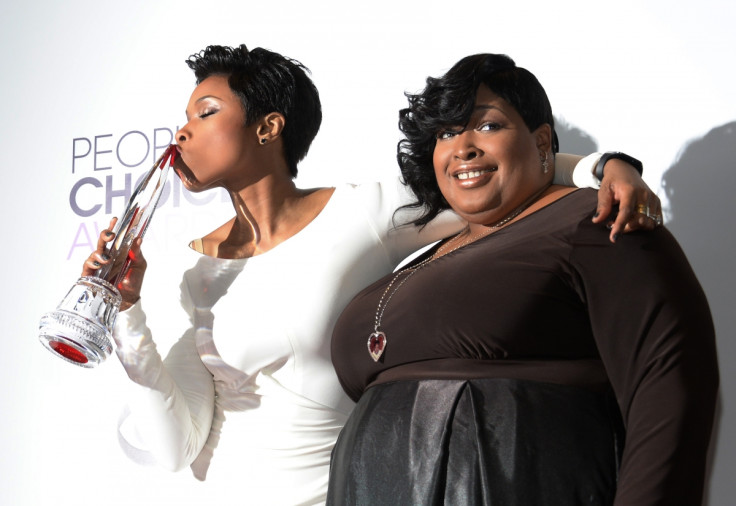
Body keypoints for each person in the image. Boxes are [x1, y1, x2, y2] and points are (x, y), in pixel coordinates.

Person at [83, 45, 660, 505]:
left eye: (205, 114)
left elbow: (490, 173)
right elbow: (173, 447)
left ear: (268, 127)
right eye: (183, 118)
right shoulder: (185, 266)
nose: (181, 133)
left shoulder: (360, 213)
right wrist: (127, 313)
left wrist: (606, 167)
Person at [328, 54, 718, 505]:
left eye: (488, 126)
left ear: (541, 141)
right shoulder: (425, 249)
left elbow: (668, 389)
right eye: (446, 133)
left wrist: (610, 166)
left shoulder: (596, 221)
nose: (463, 147)